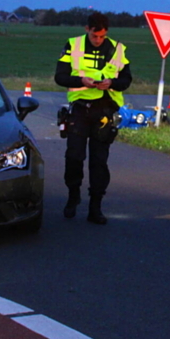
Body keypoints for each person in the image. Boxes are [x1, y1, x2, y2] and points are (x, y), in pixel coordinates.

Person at [54, 12, 132, 224]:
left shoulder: (117, 49)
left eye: (102, 36)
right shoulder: (73, 45)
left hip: (105, 111)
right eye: (95, 36)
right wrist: (81, 80)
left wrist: (112, 84)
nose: (98, 40)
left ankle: (95, 207)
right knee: (74, 157)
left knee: (99, 162)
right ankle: (73, 196)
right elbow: (59, 76)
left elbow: (126, 79)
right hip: (80, 109)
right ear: (87, 29)